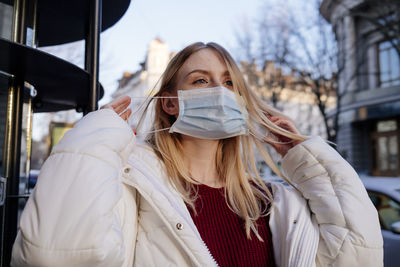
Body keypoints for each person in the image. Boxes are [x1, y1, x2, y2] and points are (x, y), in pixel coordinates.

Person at [11, 42, 383, 267]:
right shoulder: (132, 188)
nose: (220, 92)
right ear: (171, 103)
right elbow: (54, 256)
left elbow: (359, 256)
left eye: (229, 82)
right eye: (201, 80)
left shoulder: (273, 202)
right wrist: (97, 136)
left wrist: (309, 159)